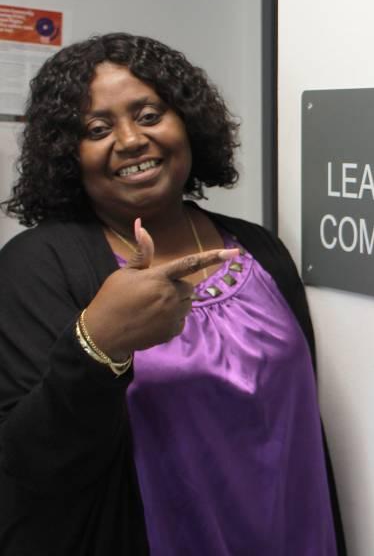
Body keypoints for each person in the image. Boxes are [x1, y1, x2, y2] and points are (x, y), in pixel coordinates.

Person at [0, 33, 346, 555]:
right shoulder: (40, 264)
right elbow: (28, 462)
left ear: (187, 122)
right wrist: (99, 346)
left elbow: (299, 425)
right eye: (97, 128)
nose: (131, 139)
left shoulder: (259, 248)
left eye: (148, 114)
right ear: (67, 154)